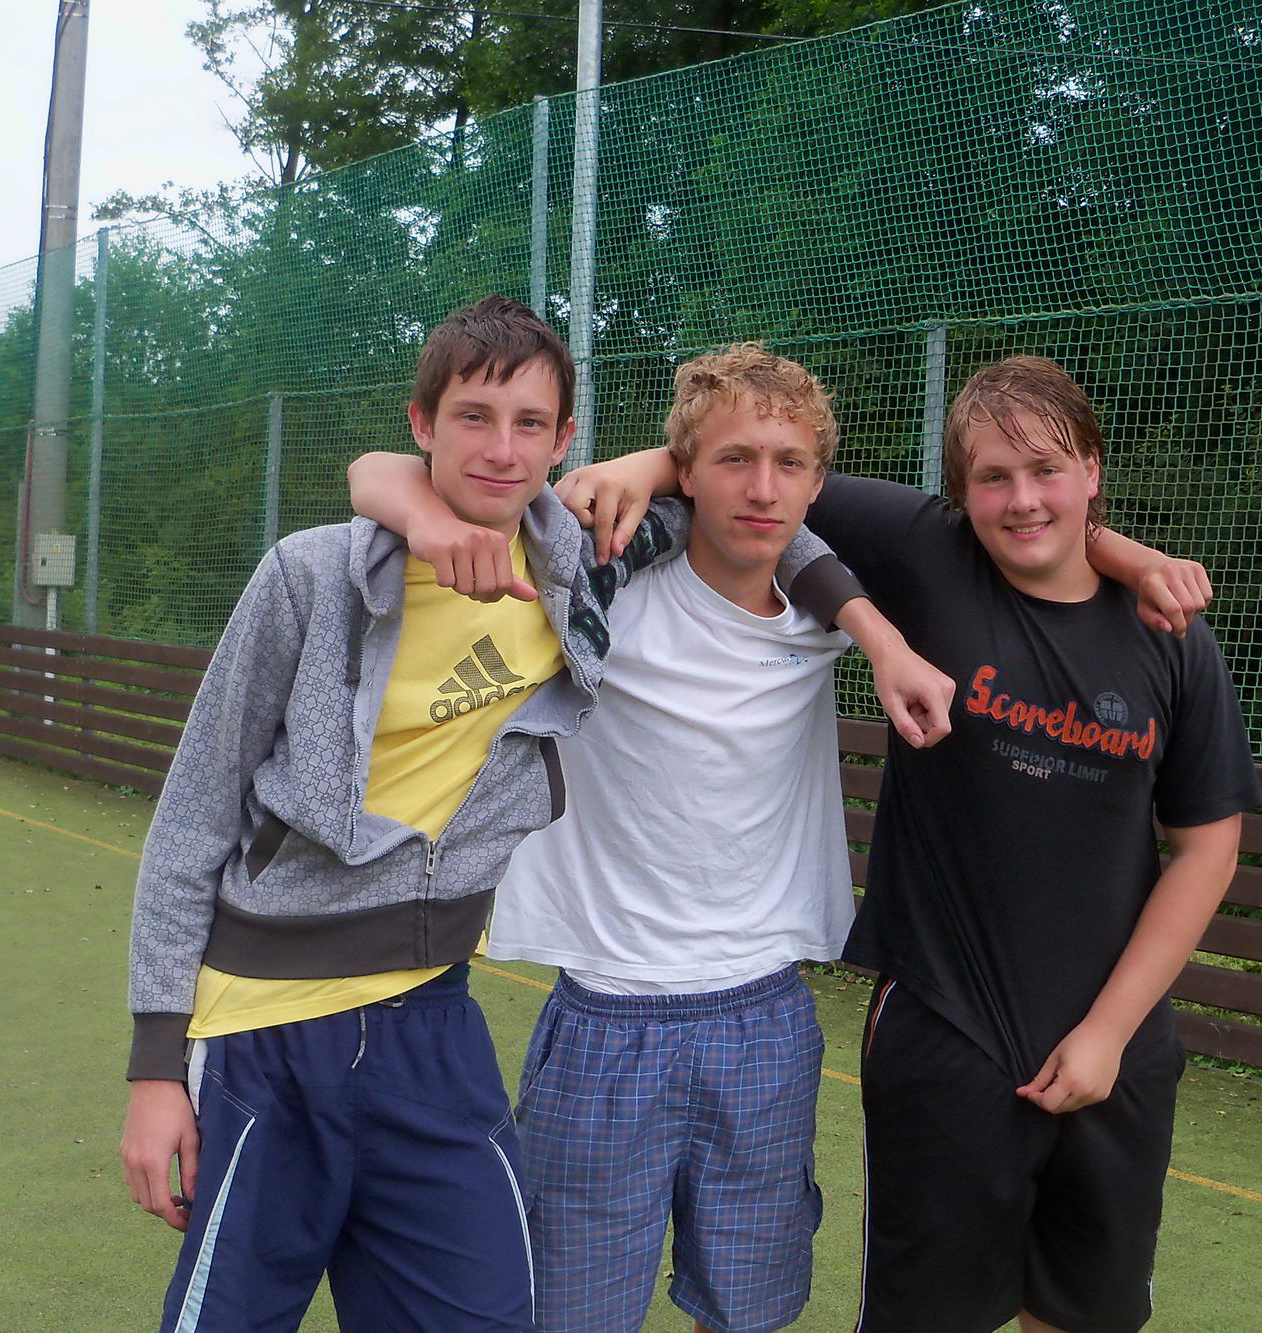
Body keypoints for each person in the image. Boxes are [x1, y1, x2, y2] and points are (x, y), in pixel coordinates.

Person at [116, 296, 875, 1333]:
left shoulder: (581, 569)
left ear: (564, 442)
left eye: (530, 424)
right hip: (266, 1026)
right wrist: (155, 1067)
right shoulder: (311, 574)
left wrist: (872, 629)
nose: (501, 448)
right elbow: (190, 821)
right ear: (421, 424)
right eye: (472, 417)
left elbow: (755, 518)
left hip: (435, 1015)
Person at [556, 353, 1258, 1333]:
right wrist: (630, 468)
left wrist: (1107, 1033)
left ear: (1092, 471)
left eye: (1047, 470)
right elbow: (751, 472)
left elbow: (1207, 849)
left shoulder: (1170, 636)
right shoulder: (929, 553)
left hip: (1116, 1054)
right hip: (943, 1036)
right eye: (993, 477)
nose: (1023, 500)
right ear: (959, 493)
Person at [344, 344, 953, 1333]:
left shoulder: (834, 614)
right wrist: (614, 474)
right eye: (731, 459)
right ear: (683, 470)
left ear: (818, 482)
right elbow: (377, 472)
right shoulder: (595, 584)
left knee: (748, 1312)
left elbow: (1017, 536)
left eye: (789, 464)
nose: (762, 488)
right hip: (605, 1013)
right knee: (568, 1314)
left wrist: (884, 636)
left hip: (765, 1014)